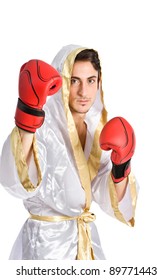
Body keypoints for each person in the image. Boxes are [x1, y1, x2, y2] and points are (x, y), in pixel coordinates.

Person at [0, 44, 138, 260]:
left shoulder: (97, 134)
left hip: (85, 243)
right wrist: (28, 117)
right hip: (47, 247)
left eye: (90, 81)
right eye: (74, 81)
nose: (84, 92)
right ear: (61, 82)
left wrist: (121, 167)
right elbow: (16, 184)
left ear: (99, 83)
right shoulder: (42, 129)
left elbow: (110, 199)